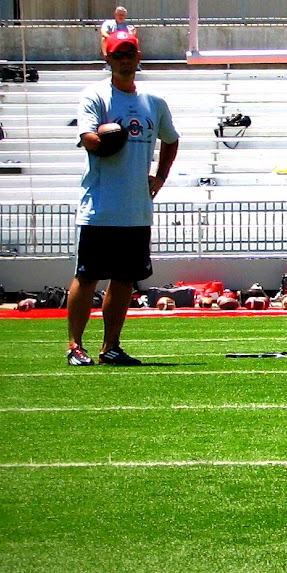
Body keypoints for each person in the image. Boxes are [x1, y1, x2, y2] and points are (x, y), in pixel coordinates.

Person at [66, 28, 179, 366]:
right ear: (108, 58)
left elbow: (171, 139)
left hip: (136, 208)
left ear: (138, 56)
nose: (124, 59)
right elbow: (87, 138)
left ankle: (110, 347)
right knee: (87, 277)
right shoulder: (96, 96)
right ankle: (75, 346)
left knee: (125, 280)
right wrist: (104, 142)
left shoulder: (154, 102)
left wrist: (160, 176)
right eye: (118, 54)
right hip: (100, 206)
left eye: (129, 53)